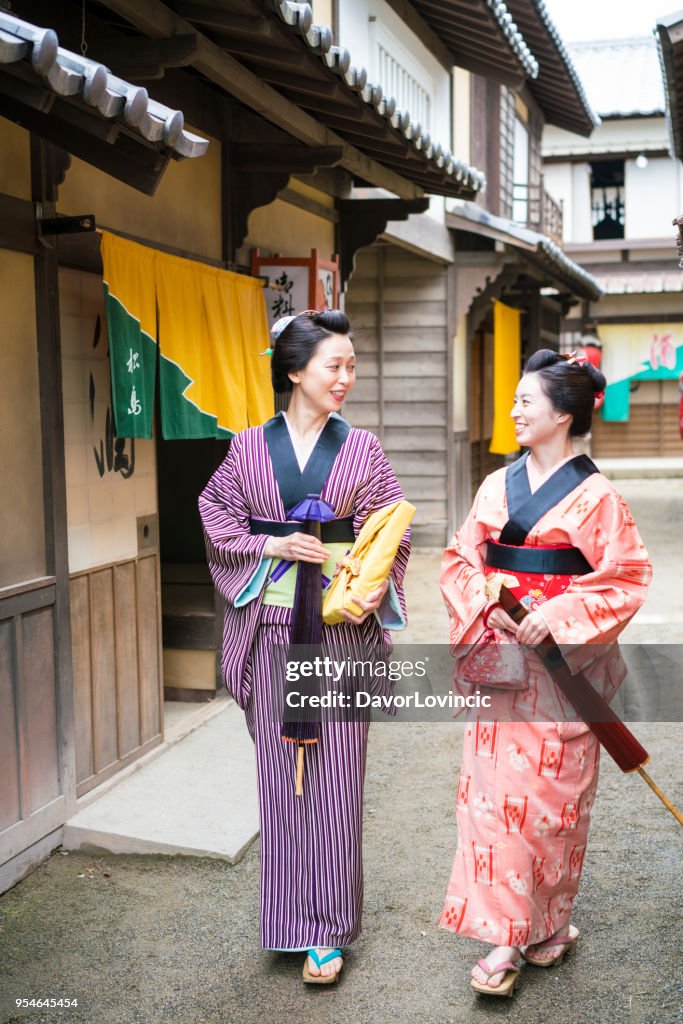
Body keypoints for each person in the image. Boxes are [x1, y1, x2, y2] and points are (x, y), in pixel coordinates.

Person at [198, 309, 410, 984]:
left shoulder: (363, 449)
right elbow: (216, 515)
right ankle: (289, 919)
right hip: (270, 628)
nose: (345, 377)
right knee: (278, 777)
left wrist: (371, 582)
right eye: (333, 365)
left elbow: (392, 529)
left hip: (339, 629)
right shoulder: (244, 448)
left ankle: (329, 931)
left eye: (351, 365)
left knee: (338, 780)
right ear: (295, 372)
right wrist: (269, 543)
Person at [438, 349, 652, 997]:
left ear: (561, 414)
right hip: (501, 660)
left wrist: (555, 612)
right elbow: (458, 560)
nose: (513, 410)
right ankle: (505, 935)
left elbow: (625, 576)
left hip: (562, 672)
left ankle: (549, 924)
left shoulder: (597, 497)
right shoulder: (495, 486)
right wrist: (486, 605)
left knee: (550, 810)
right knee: (491, 805)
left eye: (524, 401)